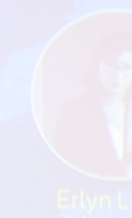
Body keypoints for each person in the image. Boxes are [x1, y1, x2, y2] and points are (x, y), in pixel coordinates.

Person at [54, 32, 132, 179]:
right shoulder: (72, 112)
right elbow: (61, 171)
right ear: (97, 66)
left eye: (126, 67)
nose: (118, 73)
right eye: (110, 64)